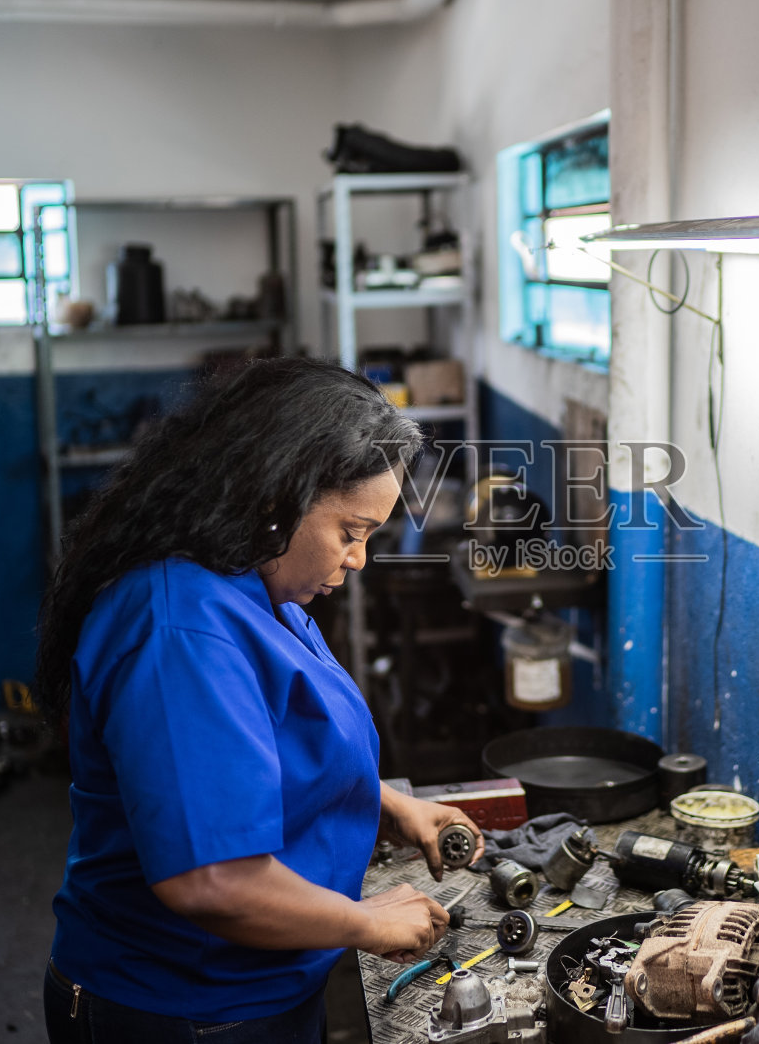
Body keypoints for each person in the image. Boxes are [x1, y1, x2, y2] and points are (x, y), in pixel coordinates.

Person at [33, 357, 482, 1043]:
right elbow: (212, 880)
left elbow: (268, 748)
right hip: (181, 1009)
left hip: (262, 985)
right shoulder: (179, 631)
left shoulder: (255, 586)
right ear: (275, 499)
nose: (358, 559)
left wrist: (389, 806)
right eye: (350, 532)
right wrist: (368, 921)